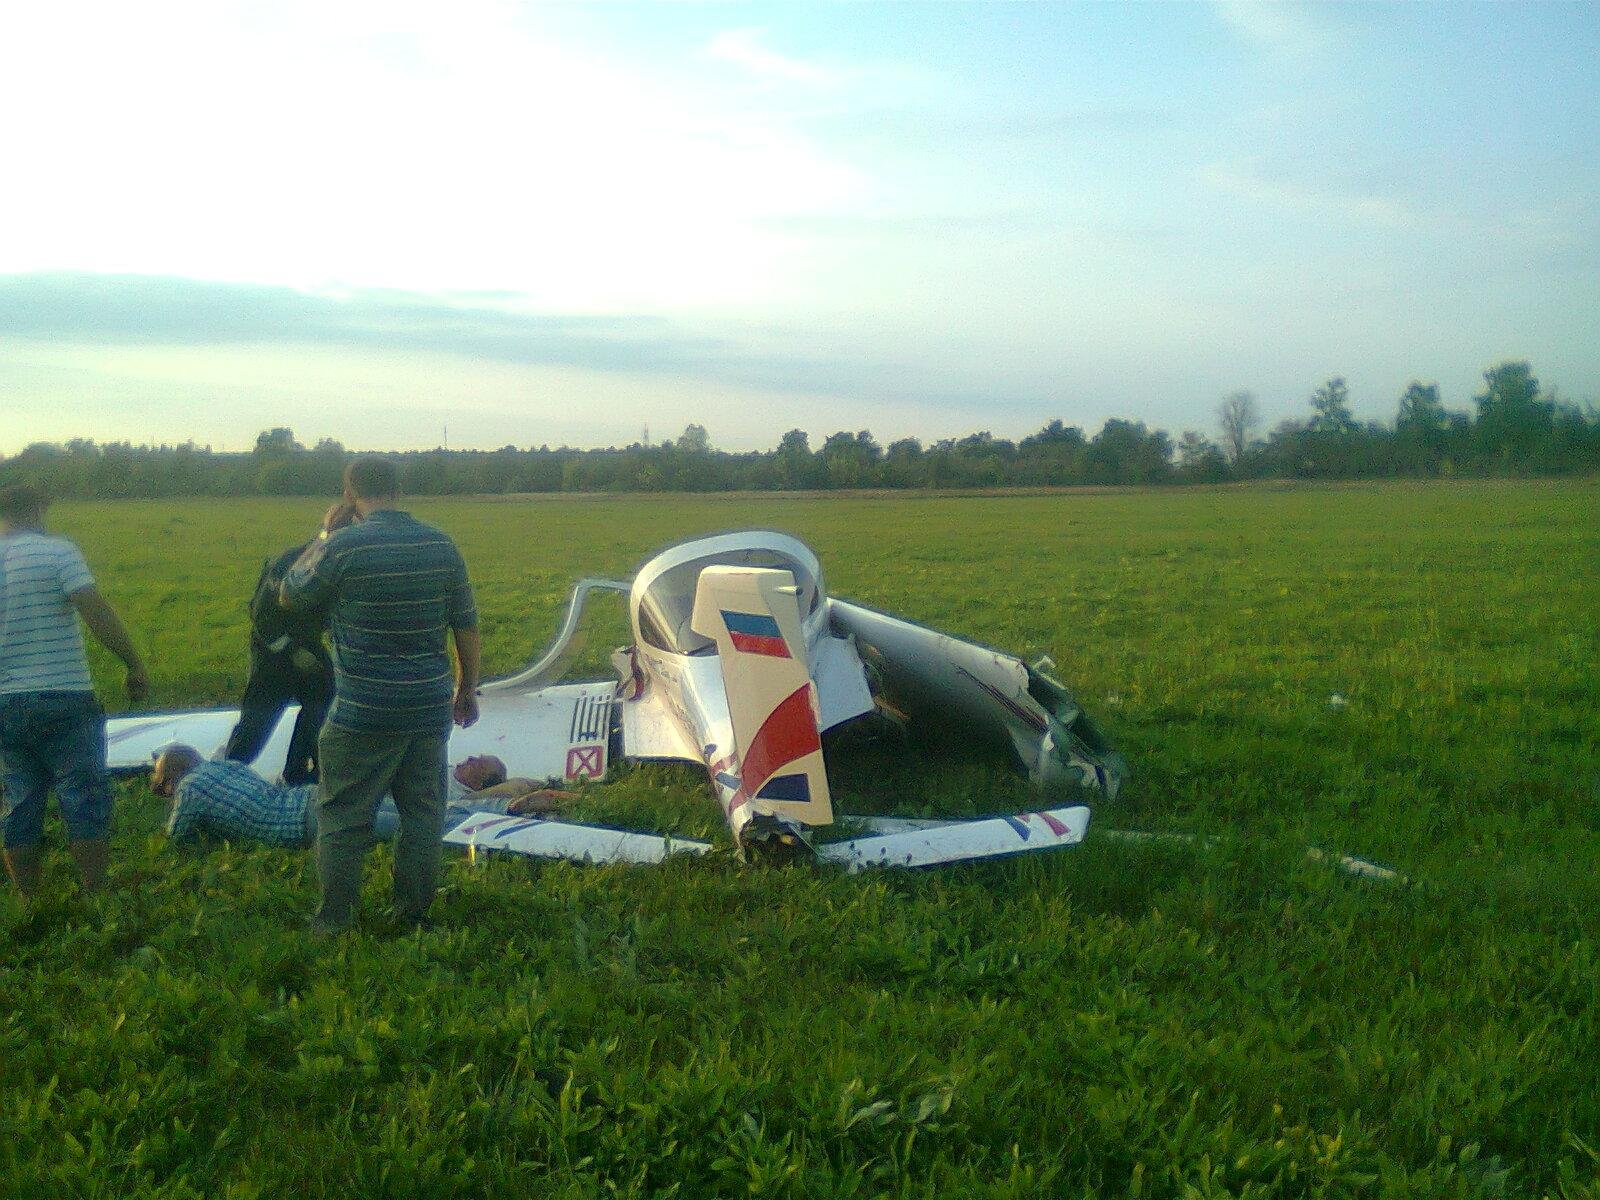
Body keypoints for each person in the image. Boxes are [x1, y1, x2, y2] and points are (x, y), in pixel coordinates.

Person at [280, 458, 480, 934]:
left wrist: (325, 534)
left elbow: (289, 595)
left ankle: (334, 922)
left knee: (345, 815)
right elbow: (466, 625)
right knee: (423, 814)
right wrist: (466, 688)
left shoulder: (343, 546)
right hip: (428, 705)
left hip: (362, 709)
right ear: (399, 489)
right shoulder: (441, 544)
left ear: (350, 496)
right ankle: (412, 917)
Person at [0, 483, 149, 897]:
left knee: (19, 798)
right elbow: (94, 611)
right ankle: (96, 894)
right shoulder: (58, 552)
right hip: (64, 693)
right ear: (41, 506)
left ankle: (28, 899)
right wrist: (132, 663)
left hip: (5, 701)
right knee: (82, 794)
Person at [152, 746, 566, 847]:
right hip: (311, 798)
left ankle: (506, 824)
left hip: (308, 823)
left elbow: (177, 838)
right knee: (415, 811)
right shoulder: (225, 766)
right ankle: (507, 806)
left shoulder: (188, 791)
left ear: (171, 780)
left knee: (411, 827)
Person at [222, 502, 357, 784]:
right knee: (256, 725)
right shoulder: (289, 563)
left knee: (323, 707)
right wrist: (292, 651)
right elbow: (262, 618)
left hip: (308, 647)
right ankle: (224, 778)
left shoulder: (341, 567)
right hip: (272, 654)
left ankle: (301, 775)